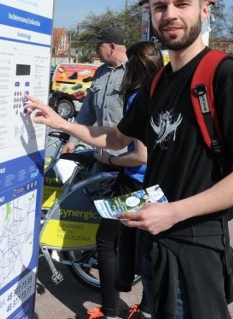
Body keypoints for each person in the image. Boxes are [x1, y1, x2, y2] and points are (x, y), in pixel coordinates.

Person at [26, 0, 233, 319]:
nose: (170, 14)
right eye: (160, 7)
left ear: (205, 10)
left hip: (195, 247)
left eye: (182, 4)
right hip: (156, 244)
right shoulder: (157, 84)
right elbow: (114, 137)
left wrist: (173, 212)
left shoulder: (224, 76)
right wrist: (61, 122)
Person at [87, 41, 163, 319]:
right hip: (159, 183)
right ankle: (145, 309)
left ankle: (111, 311)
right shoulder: (163, 91)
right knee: (149, 246)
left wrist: (110, 160)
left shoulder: (138, 97)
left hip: (136, 183)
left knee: (106, 239)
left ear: (134, 66)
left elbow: (140, 156)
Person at [63, 26, 128, 161]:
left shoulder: (135, 72)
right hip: (102, 155)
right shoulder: (100, 72)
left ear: (111, 47)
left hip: (126, 158)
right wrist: (72, 141)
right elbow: (87, 112)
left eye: (99, 46)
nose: (96, 50)